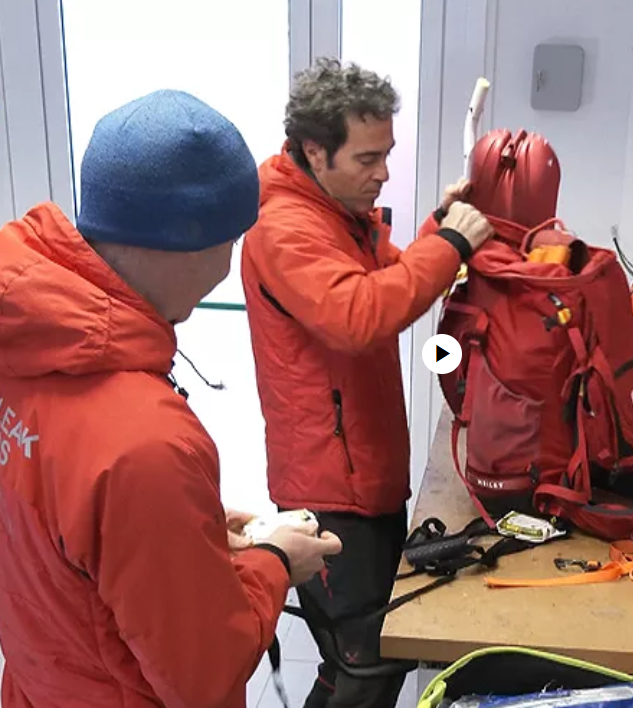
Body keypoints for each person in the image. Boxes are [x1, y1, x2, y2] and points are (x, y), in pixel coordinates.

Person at [0, 90, 342, 708]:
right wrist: (273, 561)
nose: (228, 265)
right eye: (230, 242)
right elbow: (204, 672)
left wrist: (184, 529)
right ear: (187, 242)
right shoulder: (144, 443)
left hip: (40, 681)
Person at [241, 58, 495, 708]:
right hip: (330, 489)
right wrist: (453, 246)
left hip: (363, 473)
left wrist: (440, 226)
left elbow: (391, 279)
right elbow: (360, 315)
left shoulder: (337, 215)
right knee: (365, 665)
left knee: (361, 659)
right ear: (314, 151)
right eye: (367, 157)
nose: (382, 172)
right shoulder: (286, 228)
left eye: (387, 154)